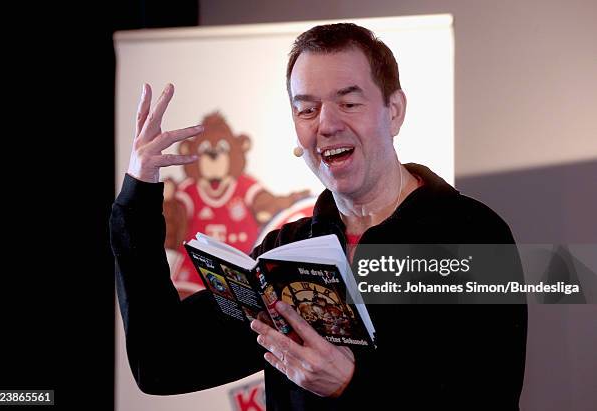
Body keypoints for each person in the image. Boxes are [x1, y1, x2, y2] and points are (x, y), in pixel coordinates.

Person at [110, 23, 527, 409]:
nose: (326, 125)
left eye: (348, 102)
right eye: (306, 109)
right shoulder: (284, 253)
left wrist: (353, 382)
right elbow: (164, 363)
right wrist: (138, 192)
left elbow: (490, 399)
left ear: (394, 111)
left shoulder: (473, 234)